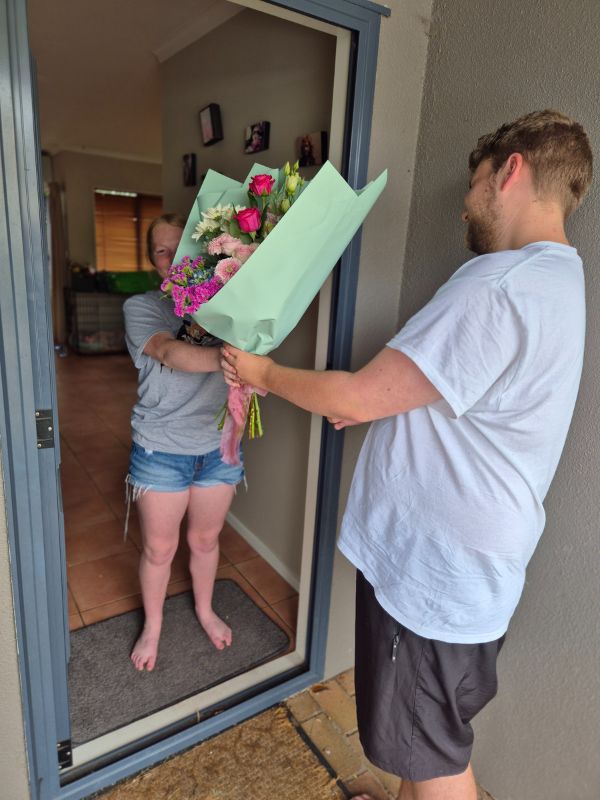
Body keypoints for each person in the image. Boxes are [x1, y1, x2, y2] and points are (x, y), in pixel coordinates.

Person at [221, 110, 593, 799]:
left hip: (435, 577)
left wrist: (261, 372)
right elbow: (462, 396)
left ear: (510, 171)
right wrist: (377, 405)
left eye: (474, 183)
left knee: (433, 758)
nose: (465, 204)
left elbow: (358, 396)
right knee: (422, 743)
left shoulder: (498, 284)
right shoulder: (558, 280)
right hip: (467, 569)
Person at [124, 213, 244, 672]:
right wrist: (233, 361)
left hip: (218, 447)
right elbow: (169, 352)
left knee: (206, 540)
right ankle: (153, 626)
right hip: (161, 448)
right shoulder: (142, 307)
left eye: (180, 246)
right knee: (159, 549)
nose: (173, 257)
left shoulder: (231, 300)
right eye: (161, 250)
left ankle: (205, 610)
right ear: (151, 260)